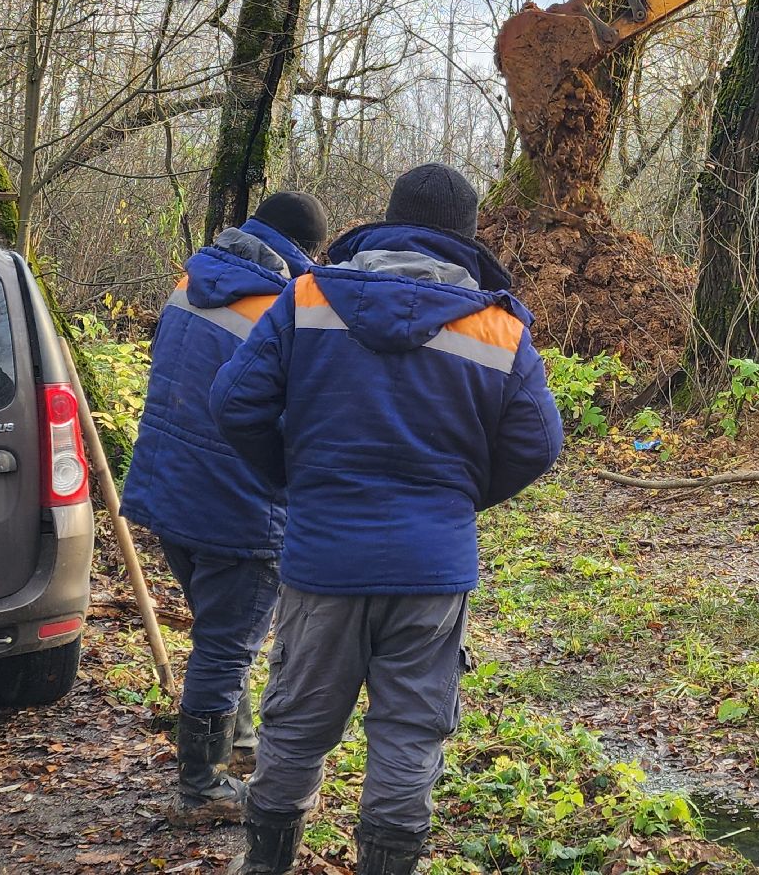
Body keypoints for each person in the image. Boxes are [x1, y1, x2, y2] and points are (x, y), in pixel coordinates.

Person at [210, 164, 563, 875]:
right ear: (465, 238)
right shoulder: (497, 328)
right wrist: (457, 497)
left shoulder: (307, 299)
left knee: (297, 726)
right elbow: (538, 442)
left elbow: (234, 401)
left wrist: (296, 476)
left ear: (388, 220)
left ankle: (266, 865)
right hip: (431, 571)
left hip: (322, 561)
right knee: (410, 733)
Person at [122, 191, 328, 826]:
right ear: (303, 247)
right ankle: (200, 784)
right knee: (226, 644)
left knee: (218, 631)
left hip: (167, 491)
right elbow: (294, 414)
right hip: (237, 505)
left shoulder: (194, 279)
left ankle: (233, 739)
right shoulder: (282, 308)